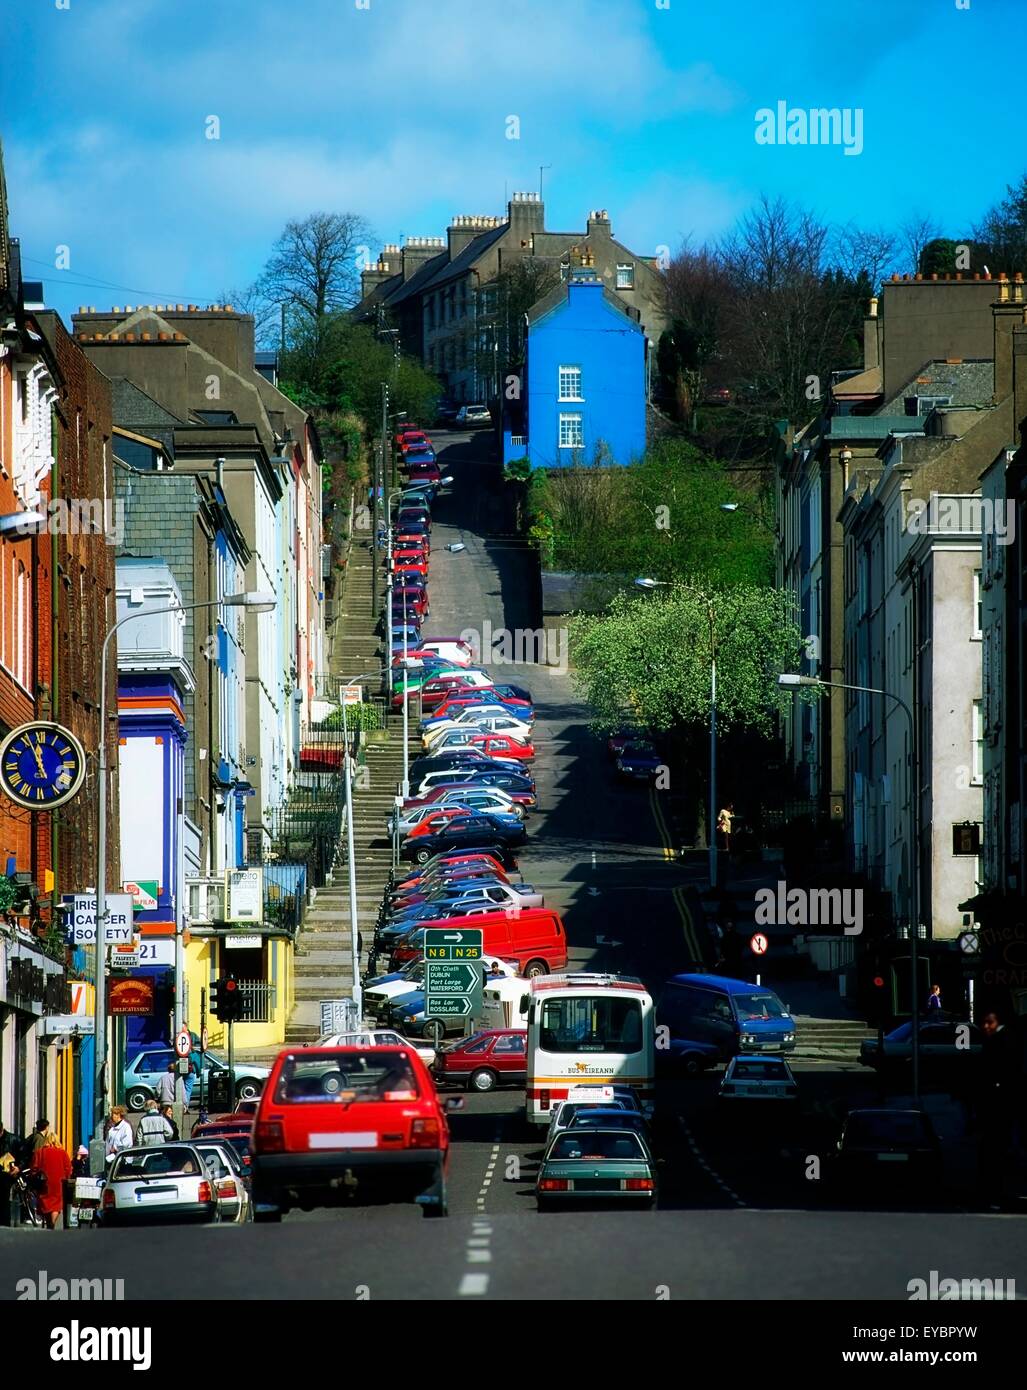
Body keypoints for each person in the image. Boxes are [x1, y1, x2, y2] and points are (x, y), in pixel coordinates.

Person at [30, 1131, 72, 1230]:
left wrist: (34, 1177)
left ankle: (49, 1223)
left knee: (46, 1203)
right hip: (59, 1182)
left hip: (45, 1183)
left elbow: (34, 1168)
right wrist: (66, 1178)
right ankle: (52, 1223)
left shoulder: (40, 1152)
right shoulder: (62, 1153)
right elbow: (68, 1168)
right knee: (56, 1205)